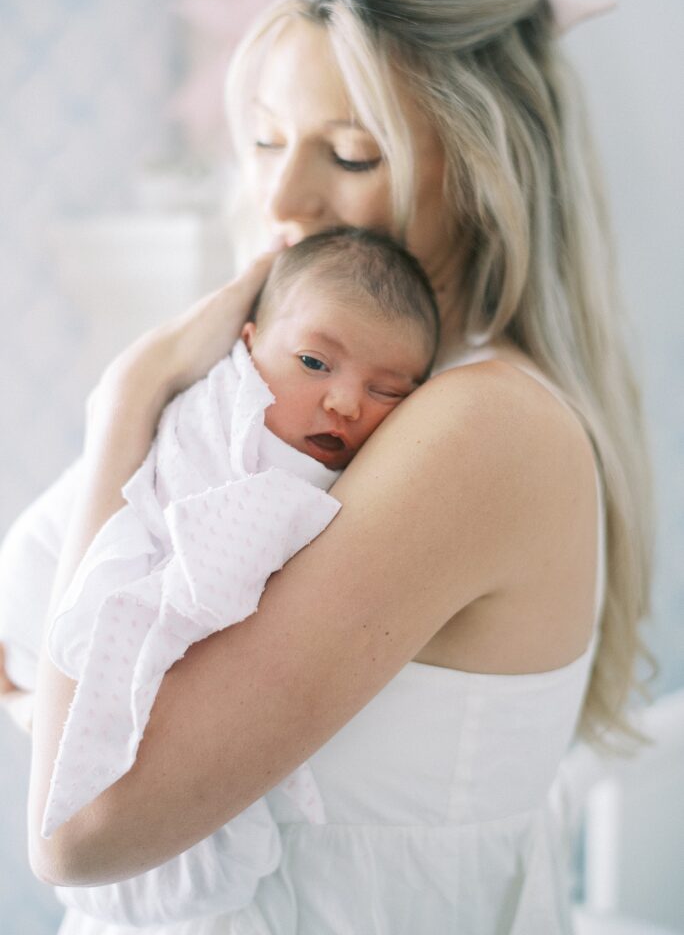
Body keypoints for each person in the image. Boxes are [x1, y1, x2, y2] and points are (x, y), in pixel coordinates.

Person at [17, 0, 652, 934]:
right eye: (266, 140)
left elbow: (77, 828)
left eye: (351, 154)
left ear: (485, 173)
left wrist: (125, 399)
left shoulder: (482, 428)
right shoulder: (299, 414)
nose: (280, 197)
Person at [0, 226, 438, 927]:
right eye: (312, 362)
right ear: (247, 341)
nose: (347, 403)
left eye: (388, 390)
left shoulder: (365, 470)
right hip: (44, 590)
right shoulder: (220, 416)